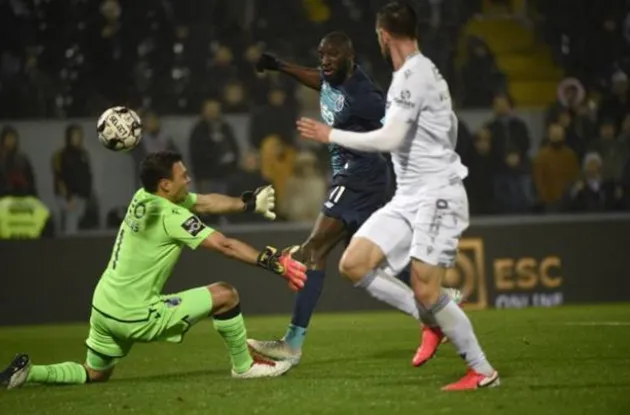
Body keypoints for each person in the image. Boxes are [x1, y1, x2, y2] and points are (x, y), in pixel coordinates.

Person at [295, 2, 499, 391]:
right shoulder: (419, 73)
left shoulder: (412, 77)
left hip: (436, 195)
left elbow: (389, 138)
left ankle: (481, 370)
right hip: (408, 196)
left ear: (383, 35)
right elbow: (450, 124)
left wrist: (330, 135)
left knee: (427, 286)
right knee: (354, 263)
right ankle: (429, 322)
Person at [0, 151, 308, 389]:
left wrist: (246, 203)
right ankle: (244, 367)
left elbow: (204, 203)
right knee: (226, 295)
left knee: (94, 373)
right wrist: (271, 261)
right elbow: (224, 245)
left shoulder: (142, 197)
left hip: (104, 306)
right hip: (135, 313)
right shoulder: (170, 216)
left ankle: (28, 372)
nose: (188, 180)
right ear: (165, 184)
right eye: (183, 176)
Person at [248, 31, 461, 366]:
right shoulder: (333, 78)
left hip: (360, 175)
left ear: (351, 57)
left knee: (315, 249)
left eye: (333, 55)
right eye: (322, 54)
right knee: (375, 254)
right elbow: (319, 80)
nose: (325, 61)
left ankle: (292, 344)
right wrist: (281, 66)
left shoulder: (364, 95)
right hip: (362, 178)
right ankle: (441, 298)